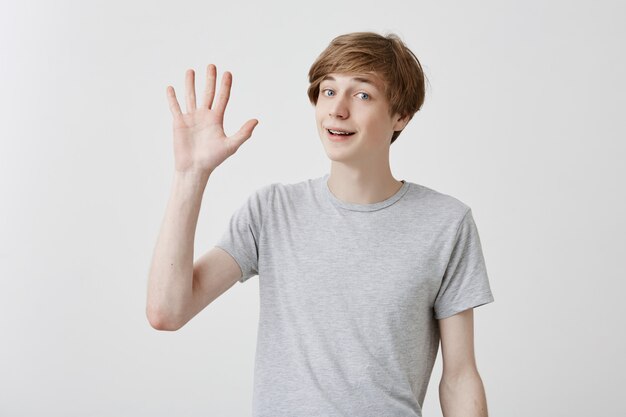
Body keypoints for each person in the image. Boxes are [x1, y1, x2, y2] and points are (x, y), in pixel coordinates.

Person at [146, 31, 495, 417]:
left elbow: (460, 377)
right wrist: (190, 174)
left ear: (401, 115)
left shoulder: (446, 224)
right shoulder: (272, 211)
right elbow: (167, 311)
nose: (337, 110)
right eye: (328, 91)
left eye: (362, 95)